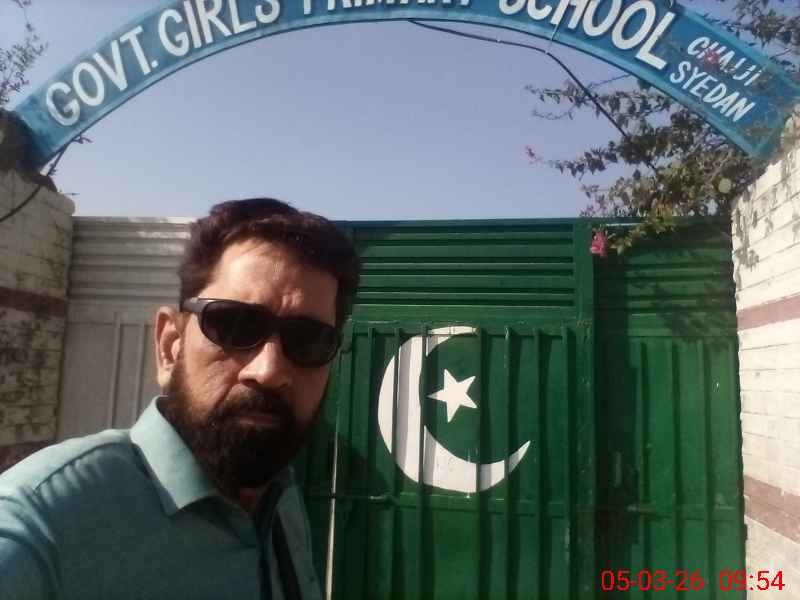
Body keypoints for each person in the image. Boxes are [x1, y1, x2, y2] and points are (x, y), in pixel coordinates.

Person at [0, 198, 360, 599]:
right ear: (170, 345)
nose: (268, 370)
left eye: (309, 340)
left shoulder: (281, 495)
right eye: (234, 324)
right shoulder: (42, 523)